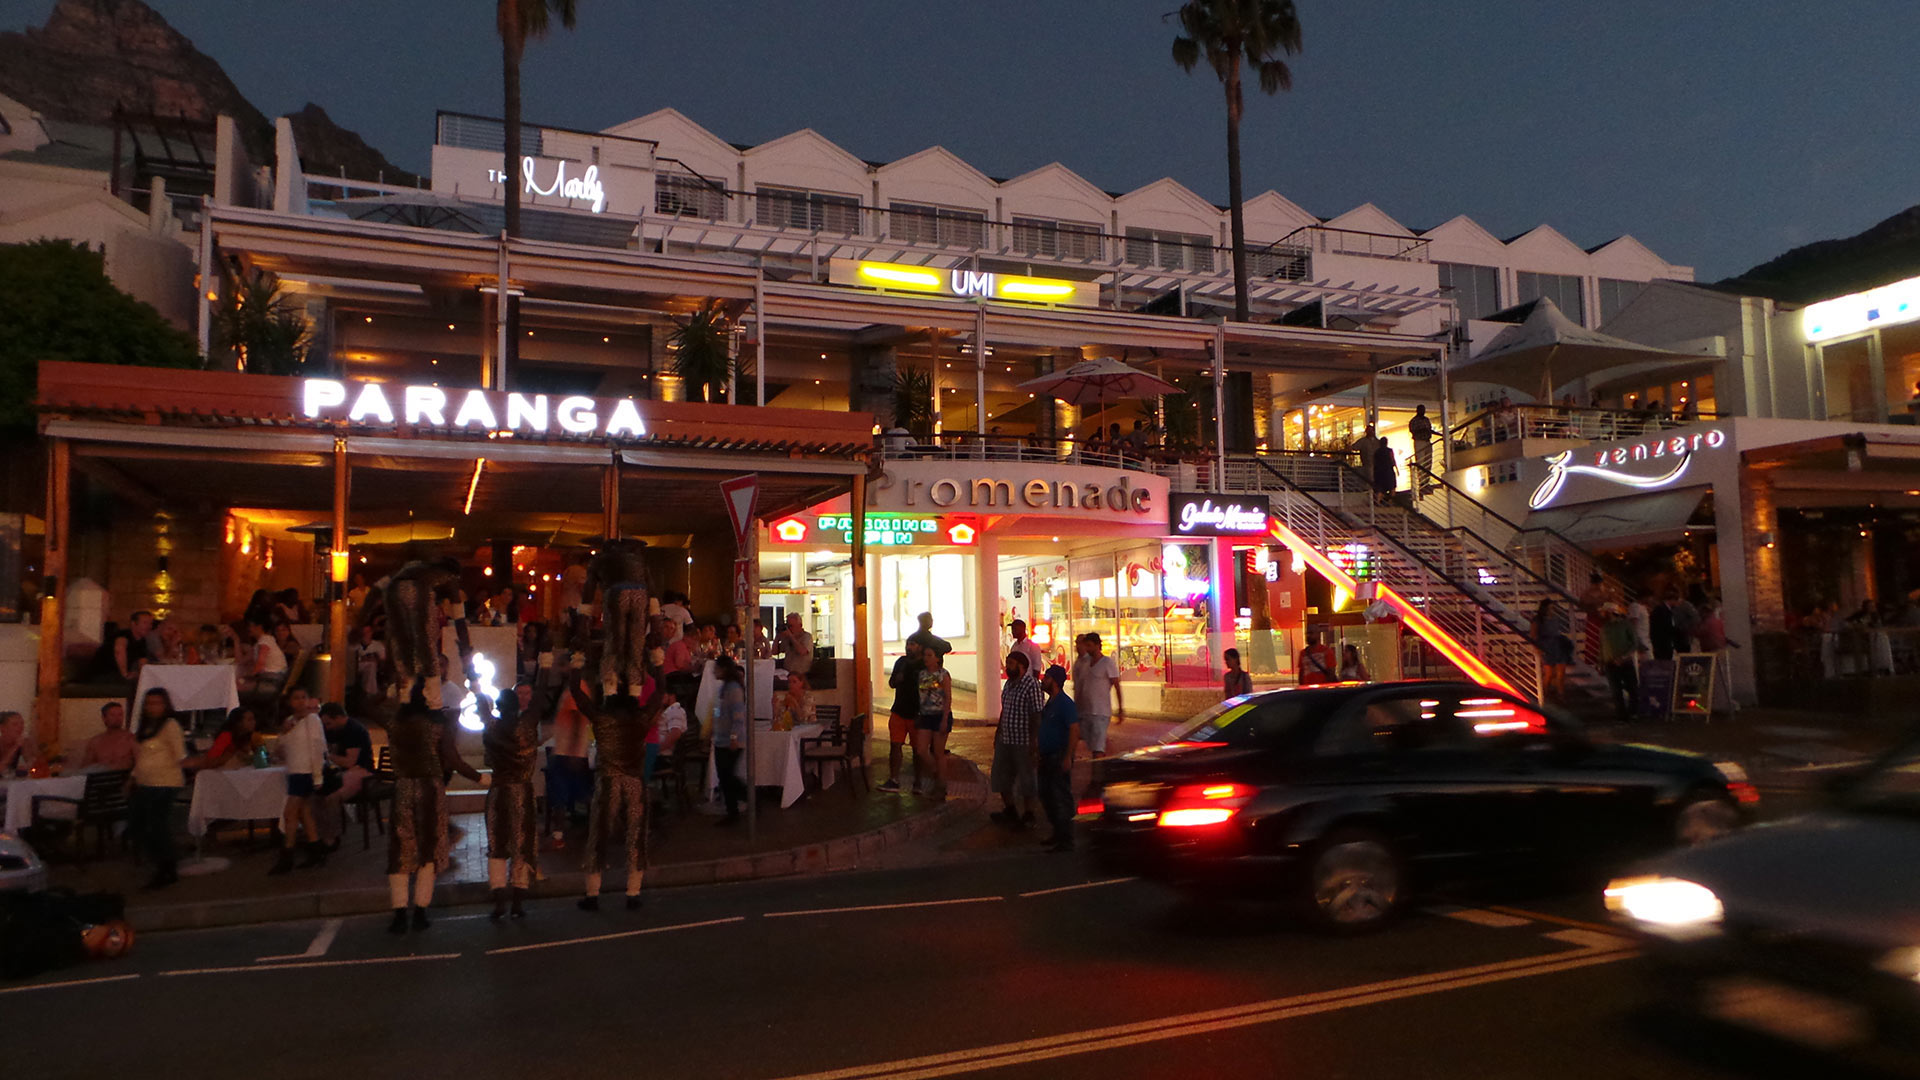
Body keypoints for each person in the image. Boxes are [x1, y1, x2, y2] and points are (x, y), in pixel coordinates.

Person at [483, 680, 540, 921]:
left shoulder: (491, 728)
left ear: (498, 707)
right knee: (522, 845)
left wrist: (473, 677)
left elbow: (487, 761)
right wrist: (545, 662)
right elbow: (540, 696)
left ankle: (499, 903)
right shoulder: (527, 725)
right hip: (523, 793)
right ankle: (517, 903)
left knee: (497, 847)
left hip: (498, 792)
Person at [128, 689, 185, 890]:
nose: (153, 707)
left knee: (157, 826)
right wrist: (133, 777)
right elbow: (141, 756)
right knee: (141, 826)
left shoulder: (170, 726)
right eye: (149, 703)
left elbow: (180, 755)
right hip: (145, 782)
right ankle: (161, 862)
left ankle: (166, 867)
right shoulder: (145, 727)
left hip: (165, 782)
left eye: (157, 703)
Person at [271, 688, 328, 874]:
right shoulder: (290, 722)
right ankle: (315, 848)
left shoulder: (312, 720)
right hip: (294, 770)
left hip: (305, 772)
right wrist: (283, 733)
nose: (301, 702)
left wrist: (317, 775)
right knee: (304, 812)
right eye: (297, 698)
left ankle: (287, 854)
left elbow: (317, 747)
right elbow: (281, 748)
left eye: (304, 697)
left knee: (290, 812)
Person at [990, 651, 1044, 829]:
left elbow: (1036, 714)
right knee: (1001, 775)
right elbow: (1004, 710)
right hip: (1006, 739)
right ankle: (1010, 809)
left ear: (1022, 666)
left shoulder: (1032, 685)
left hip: (1023, 741)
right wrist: (998, 733)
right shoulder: (1008, 685)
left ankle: (1029, 813)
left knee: (1027, 777)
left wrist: (1034, 741)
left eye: (1011, 663)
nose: (1007, 666)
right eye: (1007, 662)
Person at [1035, 665, 1080, 852]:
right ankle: (1057, 832)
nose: (1043, 681)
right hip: (1047, 756)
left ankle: (1065, 837)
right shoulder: (1051, 703)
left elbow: (1074, 729)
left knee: (1059, 795)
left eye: (1046, 678)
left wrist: (1068, 756)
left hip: (1058, 755)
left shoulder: (1064, 704)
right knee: (1046, 795)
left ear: (1053, 680)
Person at [318, 703, 373, 849]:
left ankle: (330, 838)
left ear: (338, 718)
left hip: (362, 772)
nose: (326, 727)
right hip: (343, 772)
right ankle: (318, 834)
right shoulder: (335, 730)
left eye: (328, 723)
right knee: (315, 794)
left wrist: (327, 755)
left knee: (332, 798)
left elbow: (350, 762)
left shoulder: (353, 730)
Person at [547, 673, 594, 839]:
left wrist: (573, 749)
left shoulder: (576, 688)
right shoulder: (574, 689)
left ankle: (558, 834)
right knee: (577, 791)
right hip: (570, 750)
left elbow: (575, 718)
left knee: (562, 792)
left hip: (568, 751)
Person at [879, 640, 924, 793]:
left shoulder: (924, 666)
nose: (909, 647)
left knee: (918, 750)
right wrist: (896, 680)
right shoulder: (901, 662)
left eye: (913, 644)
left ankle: (918, 782)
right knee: (895, 745)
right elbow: (891, 683)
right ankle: (894, 779)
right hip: (898, 710)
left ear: (920, 647)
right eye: (908, 644)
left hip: (916, 713)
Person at [1071, 633, 1124, 760]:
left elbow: (1116, 685)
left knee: (1097, 749)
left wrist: (1120, 709)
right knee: (1074, 738)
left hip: (1099, 712)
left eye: (1089, 646)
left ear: (1097, 646)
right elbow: (1080, 686)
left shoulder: (1107, 663)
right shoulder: (1083, 663)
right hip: (1083, 711)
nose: (1087, 649)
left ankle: (1098, 774)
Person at [711, 656, 750, 825]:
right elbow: (719, 711)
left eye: (717, 668)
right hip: (721, 737)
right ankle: (733, 808)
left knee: (728, 775)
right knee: (725, 776)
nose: (714, 672)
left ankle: (745, 801)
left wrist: (734, 736)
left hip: (730, 740)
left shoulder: (733, 689)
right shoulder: (723, 689)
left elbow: (738, 715)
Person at [914, 646, 953, 799]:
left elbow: (948, 697)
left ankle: (941, 786)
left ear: (937, 658)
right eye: (925, 655)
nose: (926, 658)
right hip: (925, 715)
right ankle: (937, 773)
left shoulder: (943, 675)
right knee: (921, 750)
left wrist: (944, 719)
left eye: (930, 655)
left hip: (939, 715)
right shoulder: (922, 675)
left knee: (938, 752)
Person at [1599, 603, 1640, 723]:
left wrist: (1624, 656)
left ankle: (1633, 712)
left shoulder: (1625, 625)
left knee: (1632, 688)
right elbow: (1602, 646)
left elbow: (1634, 643)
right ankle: (1621, 715)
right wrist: (1601, 662)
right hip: (1610, 662)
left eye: (1604, 612)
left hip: (1625, 661)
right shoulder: (1604, 628)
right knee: (1616, 690)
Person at [238, 618, 288, 704]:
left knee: (237, 689)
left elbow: (260, 664)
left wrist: (247, 678)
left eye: (251, 626)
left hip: (272, 681)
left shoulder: (266, 640)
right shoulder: (259, 644)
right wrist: (236, 640)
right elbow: (240, 661)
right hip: (268, 679)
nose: (248, 629)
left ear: (259, 627)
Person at [192, 706, 259, 770]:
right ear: (238, 722)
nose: (254, 722)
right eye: (249, 720)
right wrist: (229, 755)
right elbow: (211, 759)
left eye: (254, 719)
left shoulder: (250, 736)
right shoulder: (226, 736)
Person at [76, 701, 136, 772]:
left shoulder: (131, 739)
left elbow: (140, 764)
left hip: (123, 779)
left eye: (120, 715)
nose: (117, 718)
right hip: (102, 779)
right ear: (104, 718)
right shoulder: (95, 742)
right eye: (112, 715)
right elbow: (85, 768)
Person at [1533, 598, 1573, 703]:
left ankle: (1561, 694)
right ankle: (1545, 692)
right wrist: (1538, 648)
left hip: (1557, 644)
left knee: (1561, 671)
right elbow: (1534, 635)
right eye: (1549, 608)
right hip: (1546, 646)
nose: (1551, 610)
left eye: (1552, 608)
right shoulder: (1538, 620)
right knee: (1549, 672)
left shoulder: (1555, 618)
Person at [649, 690, 689, 784]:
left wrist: (655, 750)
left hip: (662, 758)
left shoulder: (675, 710)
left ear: (672, 696)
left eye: (661, 694)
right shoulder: (665, 711)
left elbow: (675, 734)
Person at [110, 610, 155, 687]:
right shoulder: (123, 635)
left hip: (118, 675)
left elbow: (142, 661)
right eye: (145, 623)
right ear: (133, 624)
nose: (149, 627)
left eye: (150, 623)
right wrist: (125, 674)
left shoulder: (142, 641)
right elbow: (119, 650)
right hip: (106, 674)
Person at [775, 612, 814, 679]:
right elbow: (775, 652)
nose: (789, 629)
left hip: (801, 674)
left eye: (791, 626)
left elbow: (802, 651)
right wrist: (777, 637)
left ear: (800, 625)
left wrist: (791, 637)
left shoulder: (807, 637)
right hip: (787, 673)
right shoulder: (787, 638)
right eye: (787, 626)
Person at [1408, 404, 1434, 491]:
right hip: (1419, 441)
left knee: (1428, 462)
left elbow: (1430, 430)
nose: (1423, 411)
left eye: (1424, 410)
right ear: (1417, 410)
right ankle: (1421, 482)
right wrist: (1423, 430)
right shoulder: (1414, 421)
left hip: (1427, 441)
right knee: (1421, 461)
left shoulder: (1426, 420)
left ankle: (1426, 481)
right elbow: (1413, 431)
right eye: (1421, 410)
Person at [0, 710, 35, 776]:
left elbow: (33, 766)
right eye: (15, 724)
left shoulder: (23, 742)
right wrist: (15, 747)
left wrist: (28, 767)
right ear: (2, 728)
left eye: (22, 723)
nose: (20, 727)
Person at [1371, 441, 1397, 505]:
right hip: (1388, 470)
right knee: (1392, 487)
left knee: (1380, 488)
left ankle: (1378, 501)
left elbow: (1374, 461)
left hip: (1379, 471)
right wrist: (1396, 467)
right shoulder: (1389, 450)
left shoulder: (1377, 452)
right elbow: (1392, 459)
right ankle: (1391, 501)